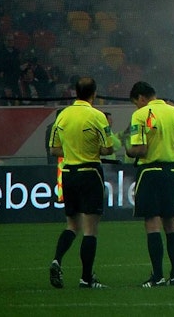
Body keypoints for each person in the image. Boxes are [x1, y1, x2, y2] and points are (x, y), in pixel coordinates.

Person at [48, 77, 114, 289]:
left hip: (68, 173)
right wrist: (91, 149)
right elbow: (108, 149)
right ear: (94, 94)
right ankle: (86, 278)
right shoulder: (97, 116)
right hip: (89, 172)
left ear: (75, 92)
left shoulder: (63, 115)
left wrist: (72, 150)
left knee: (72, 224)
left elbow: (54, 149)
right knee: (90, 229)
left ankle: (57, 259)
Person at [126, 81, 174, 287]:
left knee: (152, 223)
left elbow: (141, 149)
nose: (137, 107)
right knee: (171, 223)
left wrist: (128, 149)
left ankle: (158, 276)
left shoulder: (141, 114)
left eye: (136, 103)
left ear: (141, 98)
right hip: (172, 171)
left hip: (150, 172)